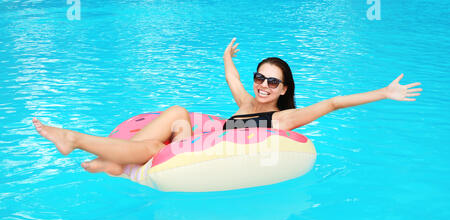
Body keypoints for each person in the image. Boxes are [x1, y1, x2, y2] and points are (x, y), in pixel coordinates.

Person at [32, 37, 422, 176]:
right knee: (176, 111)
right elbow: (233, 80)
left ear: (284, 88)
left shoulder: (284, 117)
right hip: (195, 137)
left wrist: (383, 93)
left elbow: (334, 102)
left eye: (272, 81)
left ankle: (78, 140)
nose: (263, 85)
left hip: (196, 151)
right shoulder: (246, 99)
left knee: (154, 148)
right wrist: (226, 56)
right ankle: (114, 161)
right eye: (260, 77)